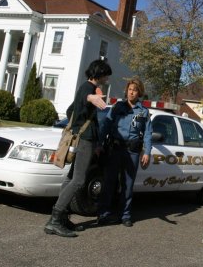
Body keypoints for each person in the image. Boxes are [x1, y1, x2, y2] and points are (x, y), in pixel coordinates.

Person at [44, 59, 112, 237]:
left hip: (82, 137)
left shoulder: (86, 87)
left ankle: (62, 216)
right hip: (85, 140)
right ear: (100, 73)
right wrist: (92, 98)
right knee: (79, 180)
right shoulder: (88, 88)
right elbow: (85, 98)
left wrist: (78, 124)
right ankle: (55, 219)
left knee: (71, 177)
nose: (107, 79)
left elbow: (69, 110)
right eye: (106, 75)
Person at [97, 78, 152, 227]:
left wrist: (147, 152)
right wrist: (99, 143)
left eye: (134, 89)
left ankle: (125, 215)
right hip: (115, 149)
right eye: (129, 89)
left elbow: (147, 133)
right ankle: (104, 214)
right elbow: (106, 125)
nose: (131, 92)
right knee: (109, 183)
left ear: (139, 92)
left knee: (127, 185)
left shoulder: (143, 112)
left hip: (132, 151)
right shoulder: (117, 107)